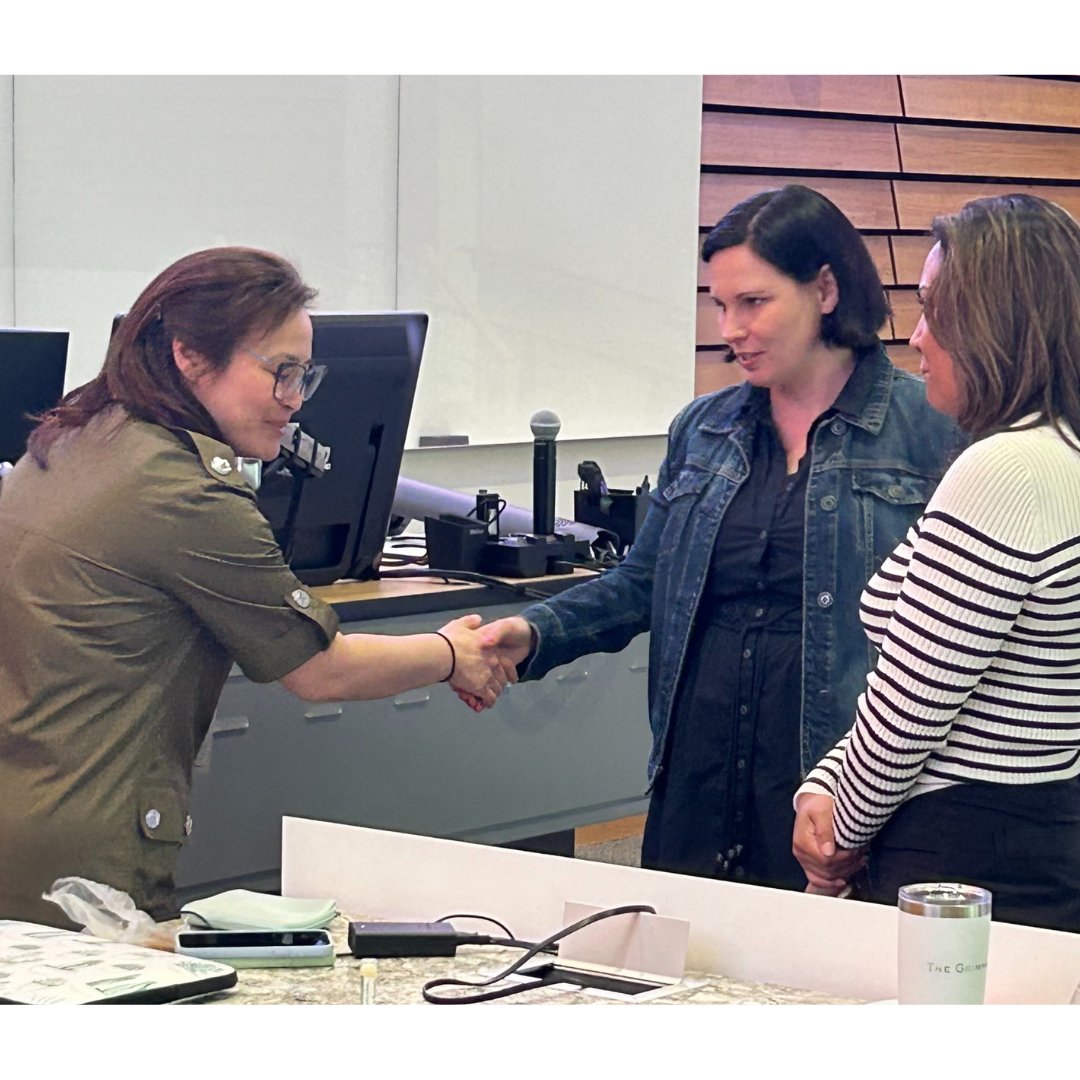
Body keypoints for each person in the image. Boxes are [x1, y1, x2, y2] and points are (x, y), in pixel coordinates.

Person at [0, 247, 515, 928]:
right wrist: (453, 653)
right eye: (280, 373)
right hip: (86, 860)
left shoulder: (77, 438)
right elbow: (320, 672)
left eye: (305, 376)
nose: (295, 401)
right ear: (189, 356)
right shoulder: (182, 492)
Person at [467, 185, 962, 890]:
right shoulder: (703, 429)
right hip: (697, 776)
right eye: (720, 305)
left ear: (824, 289)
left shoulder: (930, 429)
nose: (731, 327)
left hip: (836, 792)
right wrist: (534, 632)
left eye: (753, 303)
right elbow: (644, 582)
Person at [793, 193, 1080, 933]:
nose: (916, 337)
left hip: (966, 854)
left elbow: (913, 713)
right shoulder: (1056, 456)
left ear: (996, 321)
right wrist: (825, 782)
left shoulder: (1008, 469)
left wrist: (835, 836)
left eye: (933, 308)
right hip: (1018, 839)